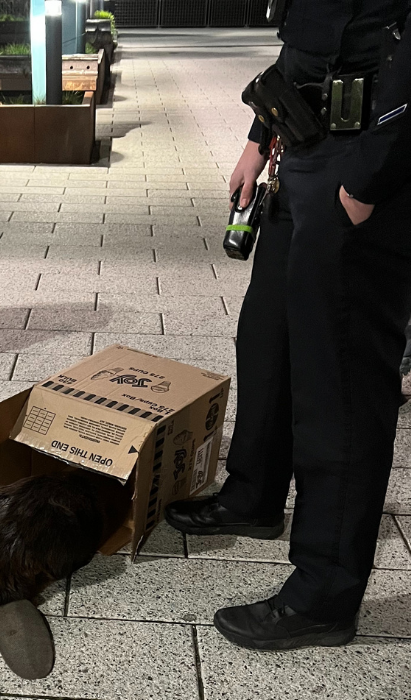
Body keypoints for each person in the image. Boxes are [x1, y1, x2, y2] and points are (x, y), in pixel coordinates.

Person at [166, 1, 411, 650]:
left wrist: (366, 183)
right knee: (266, 338)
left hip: (361, 168)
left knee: (339, 383)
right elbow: (305, 43)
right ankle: (253, 497)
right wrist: (257, 139)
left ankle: (325, 595)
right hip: (299, 146)